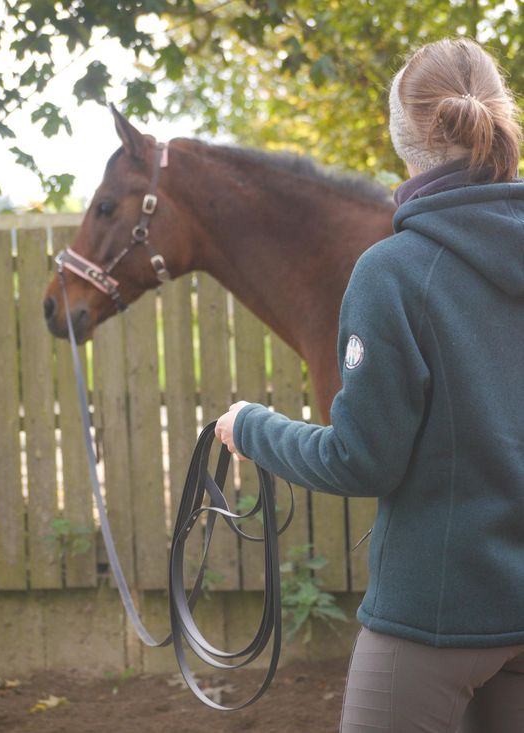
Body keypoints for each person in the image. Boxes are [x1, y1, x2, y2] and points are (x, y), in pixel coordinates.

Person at [215, 37, 524, 733]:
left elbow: (363, 457)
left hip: (432, 620)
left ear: (402, 141)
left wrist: (252, 427)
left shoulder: (392, 272)